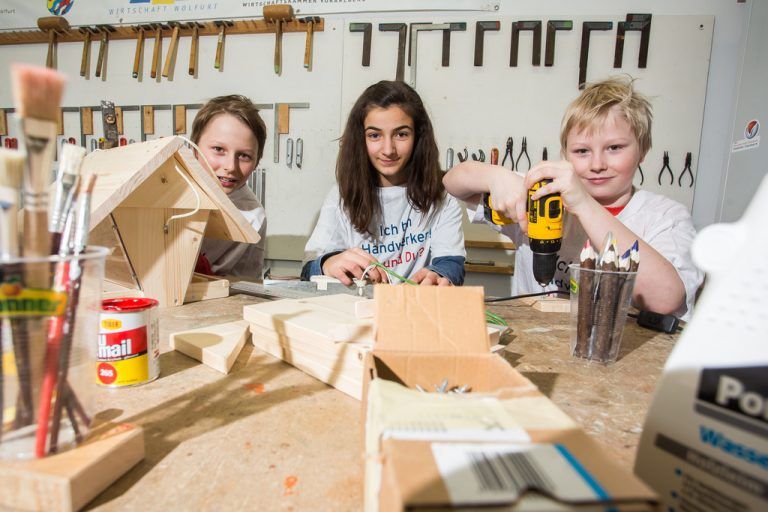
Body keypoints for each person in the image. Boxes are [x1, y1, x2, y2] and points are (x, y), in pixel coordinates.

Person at [443, 76, 703, 320]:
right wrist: (495, 176)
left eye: (614, 148)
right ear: (565, 154)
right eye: (582, 151)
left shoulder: (665, 217)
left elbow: (665, 299)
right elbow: (453, 181)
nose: (597, 164)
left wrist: (583, 204)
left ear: (643, 150)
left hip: (616, 350)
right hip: (535, 343)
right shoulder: (544, 198)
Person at [301, 80, 465, 286]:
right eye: (375, 135)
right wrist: (328, 263)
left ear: (418, 136)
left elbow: (452, 265)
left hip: (416, 304)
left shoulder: (442, 195)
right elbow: (308, 269)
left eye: (401, 134)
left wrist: (439, 275)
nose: (388, 149)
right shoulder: (341, 196)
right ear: (360, 139)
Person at [190, 94, 267, 278]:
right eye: (218, 149)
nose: (231, 167)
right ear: (194, 149)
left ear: (257, 161)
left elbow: (245, 283)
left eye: (244, 156)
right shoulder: (164, 187)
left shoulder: (252, 217)